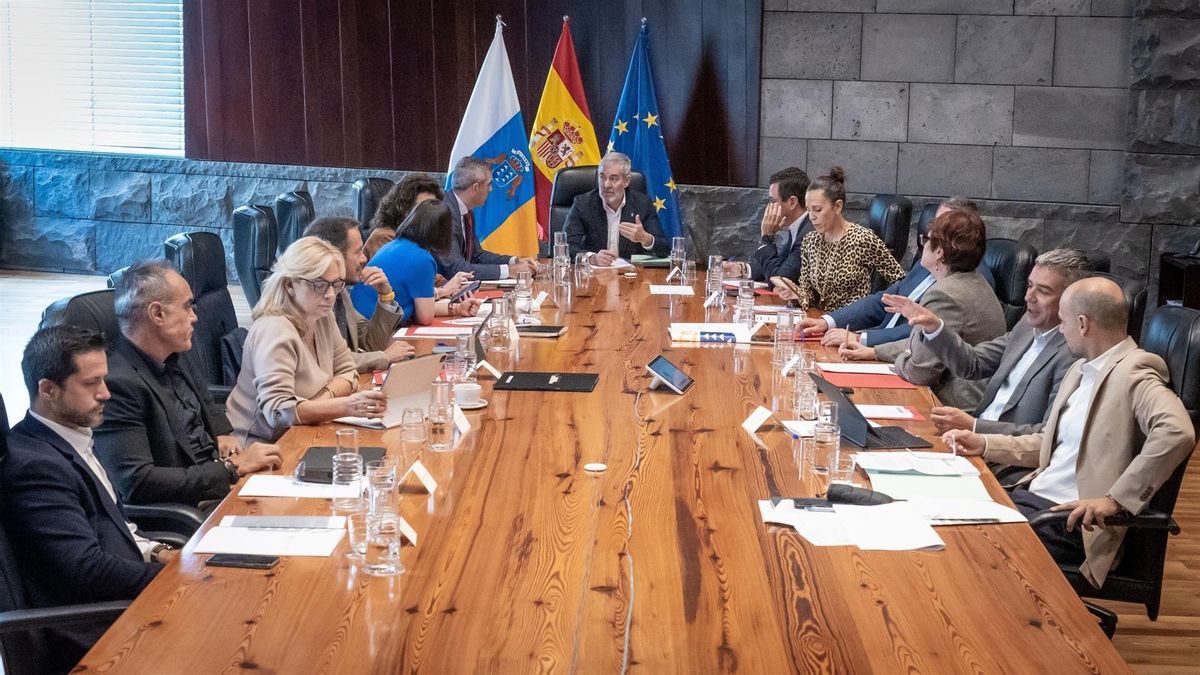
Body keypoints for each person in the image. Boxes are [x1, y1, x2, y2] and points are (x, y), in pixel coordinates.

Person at [945, 277, 1195, 588]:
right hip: (1032, 499)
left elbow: (1177, 431)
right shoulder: (1081, 369)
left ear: (1082, 323)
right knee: (943, 514)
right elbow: (1048, 444)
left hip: (1070, 521)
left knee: (959, 547)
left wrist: (1116, 500)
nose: (1060, 331)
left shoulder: (1135, 371)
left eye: (1063, 322)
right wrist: (983, 442)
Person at [2, 326, 175, 674]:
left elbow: (110, 525)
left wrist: (158, 552)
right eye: (90, 383)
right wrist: (170, 579)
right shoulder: (35, 467)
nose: (105, 393)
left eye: (104, 380)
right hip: (96, 632)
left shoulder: (71, 438)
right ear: (48, 389)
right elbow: (85, 569)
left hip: (123, 604)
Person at [885, 249, 1090, 483]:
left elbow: (1045, 435)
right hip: (965, 440)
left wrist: (975, 426)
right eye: (1029, 286)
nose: (1029, 297)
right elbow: (973, 364)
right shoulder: (1027, 325)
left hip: (1003, 464)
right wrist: (935, 328)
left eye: (1043, 291)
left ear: (1070, 301)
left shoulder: (1072, 355)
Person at [94, 261, 282, 511]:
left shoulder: (175, 351)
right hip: (192, 506)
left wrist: (222, 433)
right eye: (187, 307)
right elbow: (137, 482)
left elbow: (205, 399)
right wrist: (230, 469)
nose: (195, 317)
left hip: (219, 482)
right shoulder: (118, 384)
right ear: (157, 314)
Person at [226, 237, 389, 444]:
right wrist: (345, 406)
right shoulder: (274, 330)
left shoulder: (322, 316)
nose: (330, 295)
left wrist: (320, 404)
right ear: (289, 285)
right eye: (319, 284)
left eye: (335, 284)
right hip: (263, 445)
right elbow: (278, 412)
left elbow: (348, 371)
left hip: (306, 430)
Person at [841, 208, 1006, 411]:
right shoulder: (974, 282)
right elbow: (928, 345)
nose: (923, 244)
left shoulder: (945, 294)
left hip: (950, 407)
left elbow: (921, 371)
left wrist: (901, 359)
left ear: (939, 252)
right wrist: (874, 352)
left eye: (926, 239)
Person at [799, 196, 990, 347]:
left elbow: (921, 332)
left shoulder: (964, 281)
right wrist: (829, 321)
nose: (930, 230)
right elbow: (885, 300)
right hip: (878, 348)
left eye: (941, 225)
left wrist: (861, 338)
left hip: (902, 360)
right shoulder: (924, 267)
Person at [774, 166, 904, 311]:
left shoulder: (862, 239)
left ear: (837, 206)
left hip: (851, 323)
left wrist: (880, 311)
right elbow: (808, 294)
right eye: (809, 210)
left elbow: (899, 279)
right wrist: (795, 294)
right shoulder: (809, 241)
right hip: (819, 320)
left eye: (817, 210)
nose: (812, 217)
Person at [303, 216, 416, 372]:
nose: (364, 259)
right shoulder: (311, 301)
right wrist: (385, 357)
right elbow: (331, 361)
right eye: (357, 252)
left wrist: (385, 296)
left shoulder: (340, 292)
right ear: (333, 255)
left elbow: (370, 343)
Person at [350, 200, 482, 325]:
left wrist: (457, 308)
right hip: (371, 327)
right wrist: (449, 301)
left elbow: (421, 306)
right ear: (443, 232)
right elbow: (425, 317)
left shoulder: (393, 245)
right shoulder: (422, 259)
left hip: (359, 320)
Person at [563, 151, 670, 265]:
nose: (606, 185)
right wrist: (592, 258)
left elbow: (665, 249)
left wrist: (645, 239)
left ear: (626, 181)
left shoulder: (643, 205)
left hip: (631, 277)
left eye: (614, 179)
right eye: (602, 177)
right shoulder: (583, 203)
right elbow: (565, 247)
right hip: (594, 276)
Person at [440, 156, 537, 280]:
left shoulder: (466, 212)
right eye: (488, 184)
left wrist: (515, 261)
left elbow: (477, 256)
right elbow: (455, 268)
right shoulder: (445, 214)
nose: (491, 189)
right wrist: (509, 271)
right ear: (475, 188)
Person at [722, 167, 812, 282]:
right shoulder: (798, 226)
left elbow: (779, 281)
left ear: (792, 202)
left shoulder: (808, 234)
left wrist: (767, 237)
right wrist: (742, 269)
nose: (768, 207)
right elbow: (781, 266)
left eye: (772, 201)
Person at [363, 173, 444, 260]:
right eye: (419, 207)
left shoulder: (422, 237)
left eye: (430, 208)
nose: (425, 213)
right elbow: (401, 272)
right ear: (402, 207)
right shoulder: (384, 238)